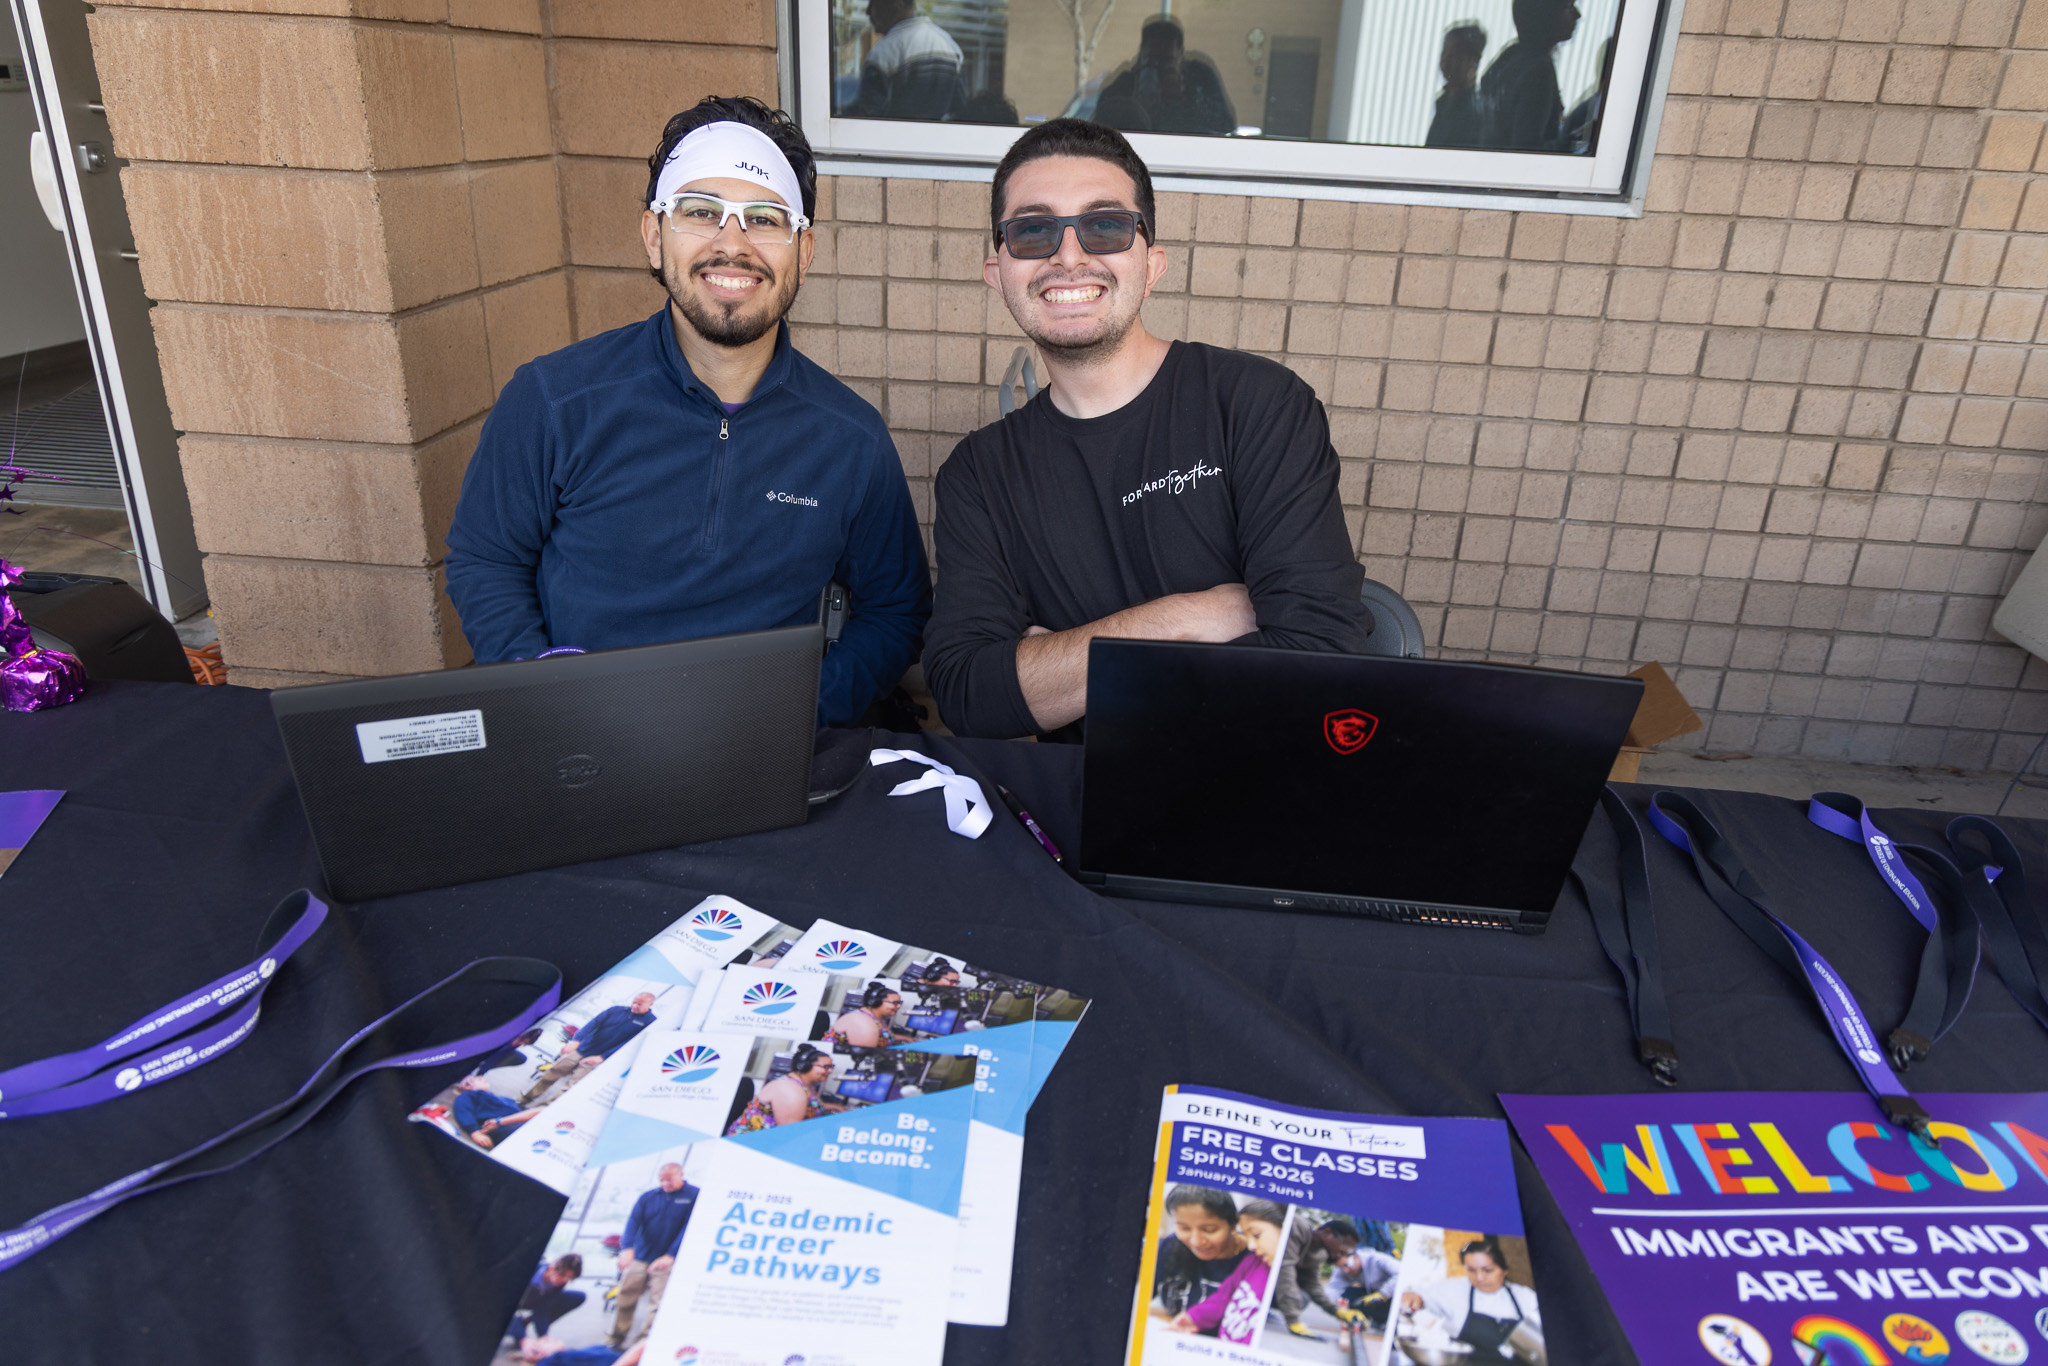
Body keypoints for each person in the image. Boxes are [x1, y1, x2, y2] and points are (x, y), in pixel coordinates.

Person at [444, 95, 930, 728]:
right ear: (654, 236)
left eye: (765, 218)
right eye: (701, 212)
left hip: (763, 752)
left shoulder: (850, 438)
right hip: (582, 734)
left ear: (803, 252)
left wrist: (801, 710)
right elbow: (486, 561)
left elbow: (896, 612)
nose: (733, 244)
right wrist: (540, 686)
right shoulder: (553, 401)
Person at [923, 119, 1367, 740]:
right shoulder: (979, 475)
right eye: (1033, 231)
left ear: (1151, 263)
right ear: (998, 271)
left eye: (1105, 226)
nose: (1069, 256)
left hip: (1263, 789)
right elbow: (971, 694)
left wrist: (1068, 671)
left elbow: (1319, 656)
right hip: (1083, 808)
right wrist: (1191, 616)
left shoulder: (1255, 405)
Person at [1166, 1199, 1287, 1344]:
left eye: (1256, 1235)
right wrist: (1194, 1318)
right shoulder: (1253, 1261)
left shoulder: (1288, 1278)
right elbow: (1224, 1295)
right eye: (1247, 1237)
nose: (1251, 1246)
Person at [1400, 1238, 1542, 1359]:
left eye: (1488, 1270)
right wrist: (1414, 1298)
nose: (1479, 1278)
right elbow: (1420, 1296)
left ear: (1504, 1271)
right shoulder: (1457, 1290)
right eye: (1472, 1270)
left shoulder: (1524, 1297)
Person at [610, 1162, 700, 1349]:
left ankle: (642, 1344)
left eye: (669, 1179)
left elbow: (690, 1228)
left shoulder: (694, 1196)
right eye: (662, 1180)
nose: (665, 1183)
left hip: (666, 1260)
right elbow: (633, 1222)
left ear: (681, 1174)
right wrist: (627, 1248)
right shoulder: (648, 1197)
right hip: (641, 1256)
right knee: (626, 1296)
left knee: (656, 1304)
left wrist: (671, 1255)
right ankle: (616, 1338)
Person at [1096, 17, 1235, 136]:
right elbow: (1099, 128)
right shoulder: (1127, 83)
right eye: (1152, 61)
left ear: (1181, 56)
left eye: (1167, 61)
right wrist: (1134, 107)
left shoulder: (1199, 77)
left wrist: (1190, 96)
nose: (1159, 70)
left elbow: (1226, 125)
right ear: (1141, 56)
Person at [520, 993, 660, 1105]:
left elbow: (629, 1043)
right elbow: (592, 1024)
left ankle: (541, 1110)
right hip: (583, 1049)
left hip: (598, 1058)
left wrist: (602, 1057)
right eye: (634, 1002)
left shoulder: (650, 1022)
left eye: (639, 1004)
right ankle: (526, 1099)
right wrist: (576, 1040)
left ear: (650, 1004)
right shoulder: (615, 1010)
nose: (634, 1006)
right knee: (552, 1072)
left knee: (570, 1086)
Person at [1478, 0, 1581, 150]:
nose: (1578, 15)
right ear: (1546, 14)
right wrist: (1571, 142)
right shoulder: (1538, 72)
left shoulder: (1509, 58)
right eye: (1568, 7)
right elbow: (1527, 151)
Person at [847, 0, 964, 121]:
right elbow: (960, 107)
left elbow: (867, 115)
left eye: (874, 5)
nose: (867, 12)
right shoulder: (949, 45)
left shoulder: (883, 53)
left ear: (898, 5)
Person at [1149, 1185, 1251, 1317]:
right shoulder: (1167, 1247)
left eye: (1209, 1230)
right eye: (1185, 1228)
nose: (1196, 1241)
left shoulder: (1258, 1258)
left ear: (1233, 1225)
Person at [1273, 1215, 1366, 1338]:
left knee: (1303, 1298)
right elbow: (1285, 1270)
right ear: (1327, 1233)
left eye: (1349, 1249)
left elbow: (1313, 1285)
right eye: (1345, 1244)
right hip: (1251, 1273)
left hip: (1268, 1282)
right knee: (1293, 1291)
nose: (1345, 1252)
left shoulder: (1318, 1253)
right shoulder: (1298, 1228)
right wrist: (1293, 1320)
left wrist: (1338, 1311)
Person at [726, 1044, 842, 1133]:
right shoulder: (790, 1091)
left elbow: (812, 1105)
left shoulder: (804, 1085)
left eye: (831, 1067)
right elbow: (788, 1135)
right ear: (804, 1066)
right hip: (749, 1147)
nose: (830, 1071)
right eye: (825, 1067)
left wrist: (837, 1107)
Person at [1424, 23, 1488, 148]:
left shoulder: (1476, 113)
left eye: (1455, 55)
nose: (1445, 60)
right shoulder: (1443, 102)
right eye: (1445, 52)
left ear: (1474, 61)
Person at [450, 1074, 537, 1148]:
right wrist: (474, 1132)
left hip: (519, 1121)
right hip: (500, 1126)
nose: (483, 1079)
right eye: (479, 1079)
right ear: (467, 1086)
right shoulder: (468, 1095)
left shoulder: (500, 1098)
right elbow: (463, 1111)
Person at [513, 1254, 586, 1340]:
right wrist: (523, 1339)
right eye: (562, 1275)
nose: (565, 1280)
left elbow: (543, 1309)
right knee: (516, 1329)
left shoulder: (559, 1283)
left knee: (579, 1297)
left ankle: (528, 1320)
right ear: (551, 1268)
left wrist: (544, 1337)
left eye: (570, 1277)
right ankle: (520, 1326)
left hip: (537, 1301)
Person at [1336, 1245, 1403, 1327]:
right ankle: (1360, 1320)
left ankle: (1390, 1321)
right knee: (1349, 1294)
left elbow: (1401, 1274)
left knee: (1378, 1301)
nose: (1345, 1271)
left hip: (1395, 1296)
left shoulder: (1378, 1259)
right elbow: (1333, 1289)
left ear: (1355, 1258)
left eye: (1346, 1265)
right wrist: (1337, 1310)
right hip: (1375, 1294)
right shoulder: (1346, 1271)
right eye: (1341, 1267)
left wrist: (1383, 1294)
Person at [826, 981, 906, 1047]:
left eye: (900, 1003)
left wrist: (906, 1038)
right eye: (895, 1003)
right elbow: (867, 1056)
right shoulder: (863, 1023)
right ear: (875, 1002)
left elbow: (885, 1035)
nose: (899, 1006)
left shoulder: (876, 1019)